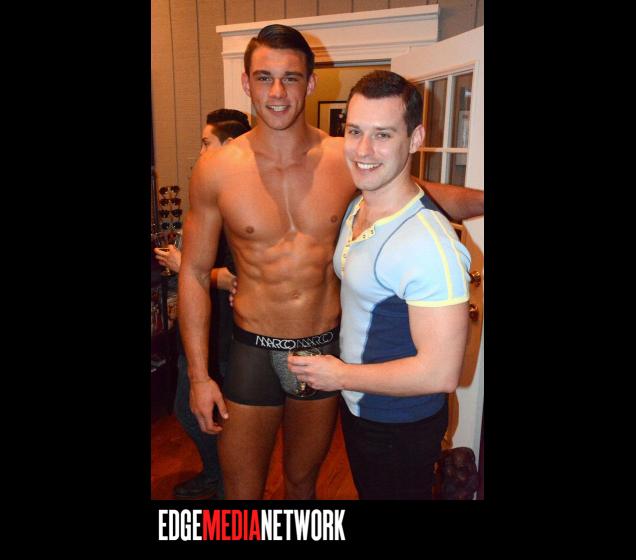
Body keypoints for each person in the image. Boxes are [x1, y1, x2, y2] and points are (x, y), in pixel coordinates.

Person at [178, 24, 482, 500]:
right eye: (263, 77)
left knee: (303, 484)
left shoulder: (347, 157)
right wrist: (199, 377)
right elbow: (194, 273)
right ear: (245, 82)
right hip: (252, 350)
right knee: (241, 492)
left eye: (291, 78)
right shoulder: (216, 169)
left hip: (322, 349)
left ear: (311, 83)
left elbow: (431, 196)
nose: (277, 93)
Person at [288, 70, 470, 500]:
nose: (363, 150)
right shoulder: (359, 206)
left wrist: (340, 374)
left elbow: (441, 373)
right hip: (361, 406)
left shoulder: (429, 245)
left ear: (415, 137)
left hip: (400, 424)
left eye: (383, 134)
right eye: (355, 131)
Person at [154, 109, 249, 499]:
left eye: (206, 142)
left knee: (212, 418)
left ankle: (228, 492)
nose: (200, 151)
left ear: (230, 145)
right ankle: (214, 475)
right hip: (196, 331)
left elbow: (237, 278)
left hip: (223, 336)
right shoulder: (211, 194)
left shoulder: (243, 204)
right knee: (190, 411)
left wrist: (187, 267)